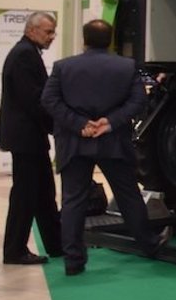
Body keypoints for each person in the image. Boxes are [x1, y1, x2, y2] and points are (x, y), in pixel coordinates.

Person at [42, 19, 166, 276]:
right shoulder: (126, 67)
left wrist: (80, 124)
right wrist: (109, 122)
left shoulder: (63, 67)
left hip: (75, 142)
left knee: (73, 200)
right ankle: (149, 245)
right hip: (114, 142)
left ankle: (73, 261)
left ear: (83, 39)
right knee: (128, 195)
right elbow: (138, 101)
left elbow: (49, 100)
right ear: (110, 40)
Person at [0, 11, 62, 265]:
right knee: (25, 195)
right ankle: (14, 250)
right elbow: (35, 100)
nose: (52, 37)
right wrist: (60, 125)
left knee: (43, 192)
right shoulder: (24, 55)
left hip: (29, 136)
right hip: (26, 137)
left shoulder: (27, 52)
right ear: (31, 30)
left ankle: (55, 243)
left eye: (53, 31)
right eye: (48, 31)